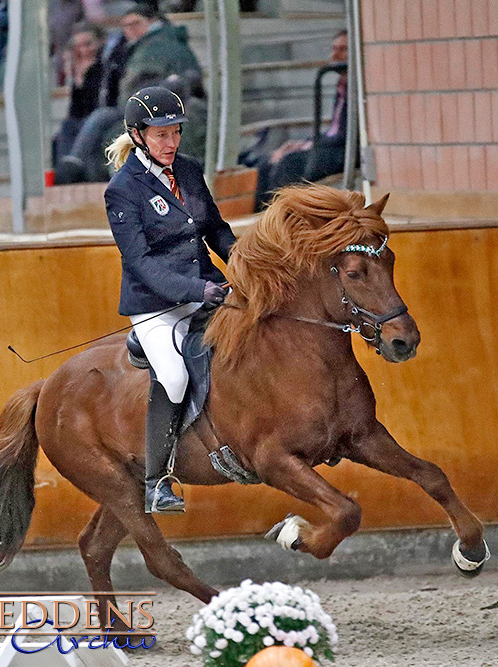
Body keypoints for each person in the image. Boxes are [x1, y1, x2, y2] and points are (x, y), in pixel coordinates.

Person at [104, 86, 236, 514]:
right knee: (175, 377)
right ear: (138, 135)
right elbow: (140, 262)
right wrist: (196, 291)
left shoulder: (190, 171)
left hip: (207, 287)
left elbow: (214, 228)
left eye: (176, 133)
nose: (171, 143)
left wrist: (244, 261)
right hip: (155, 304)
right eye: (161, 135)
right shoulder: (123, 190)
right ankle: (156, 482)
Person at [55, 0, 201, 183]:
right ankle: (71, 167)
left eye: (135, 23)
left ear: (153, 22)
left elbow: (184, 79)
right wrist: (79, 82)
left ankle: (73, 167)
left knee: (101, 121)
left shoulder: (161, 46)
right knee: (72, 128)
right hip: (131, 107)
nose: (130, 30)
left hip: (148, 109)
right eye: (125, 26)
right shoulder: (130, 50)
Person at [254, 29, 349, 210]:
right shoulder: (341, 85)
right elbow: (333, 130)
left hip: (344, 150)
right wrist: (306, 142)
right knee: (266, 163)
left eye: (343, 49)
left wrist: (311, 145)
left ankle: (280, 215)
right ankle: (259, 215)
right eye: (334, 48)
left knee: (289, 163)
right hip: (332, 144)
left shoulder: (359, 87)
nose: (335, 55)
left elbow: (345, 134)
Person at [53, 22, 103, 162]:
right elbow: (75, 110)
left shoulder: (105, 64)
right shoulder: (77, 68)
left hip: (100, 117)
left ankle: (72, 167)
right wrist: (78, 79)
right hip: (81, 119)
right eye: (78, 46)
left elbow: (97, 102)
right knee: (65, 128)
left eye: (88, 44)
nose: (84, 50)